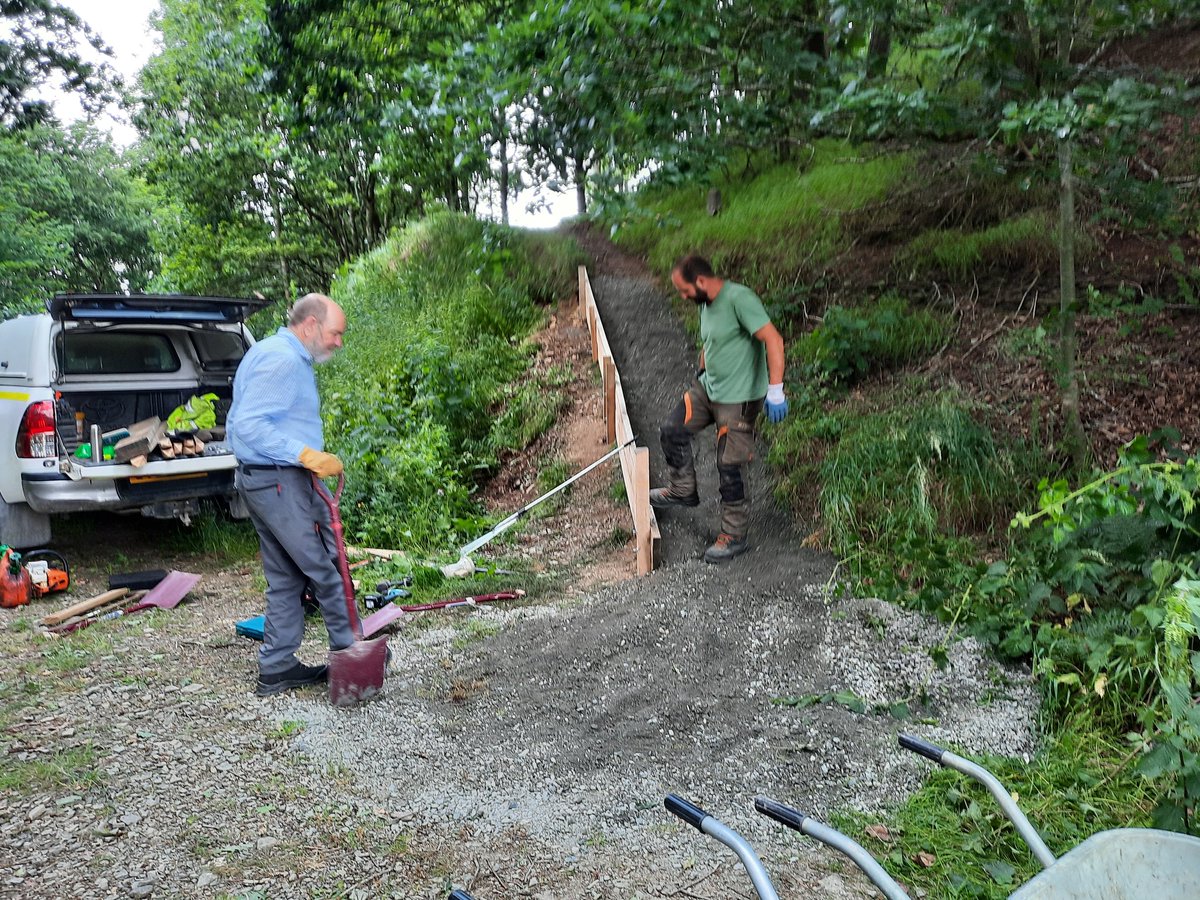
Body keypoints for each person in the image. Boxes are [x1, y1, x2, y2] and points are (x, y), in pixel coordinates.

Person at [226, 293, 356, 696]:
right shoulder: (282, 360)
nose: (338, 342)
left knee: (285, 577)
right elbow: (247, 425)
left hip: (268, 480)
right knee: (325, 568)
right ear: (311, 325)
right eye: (335, 333)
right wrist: (304, 454)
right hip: (280, 480)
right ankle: (352, 659)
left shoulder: (273, 352)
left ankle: (278, 666)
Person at [650, 255, 788, 563]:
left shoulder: (740, 298)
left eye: (684, 290)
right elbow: (711, 342)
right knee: (672, 430)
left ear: (700, 281)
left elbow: (773, 339)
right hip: (708, 391)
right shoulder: (704, 303)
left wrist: (775, 389)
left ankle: (734, 535)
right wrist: (703, 369)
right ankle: (682, 490)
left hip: (738, 400)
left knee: (730, 465)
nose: (683, 297)